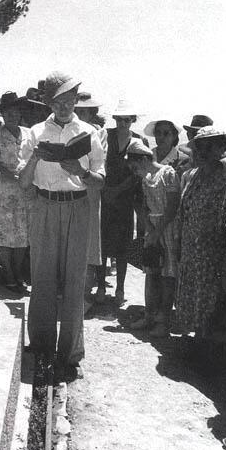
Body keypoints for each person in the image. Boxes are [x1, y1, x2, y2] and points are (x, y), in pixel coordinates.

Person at [19, 71, 105, 381]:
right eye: (59, 101)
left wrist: (78, 170)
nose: (65, 106)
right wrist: (36, 158)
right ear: (50, 102)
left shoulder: (90, 133)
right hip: (44, 205)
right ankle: (41, 347)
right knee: (41, 277)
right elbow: (23, 183)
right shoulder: (34, 131)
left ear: (76, 101)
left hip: (78, 206)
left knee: (74, 281)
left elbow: (98, 184)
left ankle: (69, 353)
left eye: (70, 100)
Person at [175, 127, 226, 339]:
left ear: (220, 149)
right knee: (193, 298)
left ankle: (208, 350)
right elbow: (184, 211)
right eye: (200, 147)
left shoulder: (225, 179)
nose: (203, 153)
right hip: (191, 250)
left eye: (209, 147)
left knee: (212, 303)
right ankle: (198, 343)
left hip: (214, 255)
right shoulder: (192, 176)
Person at [126, 140, 181, 337]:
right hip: (153, 228)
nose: (134, 170)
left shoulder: (168, 173)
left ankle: (163, 321)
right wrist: (150, 230)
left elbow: (173, 206)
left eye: (134, 166)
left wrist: (158, 232)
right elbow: (142, 207)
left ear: (143, 159)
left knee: (168, 275)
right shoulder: (144, 179)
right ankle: (149, 314)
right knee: (151, 273)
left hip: (168, 228)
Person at [95, 99, 145, 306]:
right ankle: (100, 285)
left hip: (125, 199)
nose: (123, 123)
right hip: (104, 195)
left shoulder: (140, 140)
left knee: (122, 246)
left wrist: (118, 190)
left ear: (132, 120)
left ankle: (120, 288)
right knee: (102, 244)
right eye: (119, 119)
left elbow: (139, 171)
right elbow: (97, 161)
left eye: (127, 119)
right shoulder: (106, 135)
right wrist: (107, 190)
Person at [0, 92, 33, 291]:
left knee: (22, 232)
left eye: (15, 111)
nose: (12, 115)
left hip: (26, 188)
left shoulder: (30, 133)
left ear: (20, 113)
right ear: (2, 113)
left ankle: (18, 272)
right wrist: (10, 174)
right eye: (8, 112)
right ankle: (9, 273)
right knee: (5, 233)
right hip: (4, 189)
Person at [74, 91, 107, 312]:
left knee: (89, 246)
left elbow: (99, 163)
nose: (80, 114)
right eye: (77, 109)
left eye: (84, 110)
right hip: (68, 192)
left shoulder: (98, 133)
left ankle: (84, 296)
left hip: (89, 192)